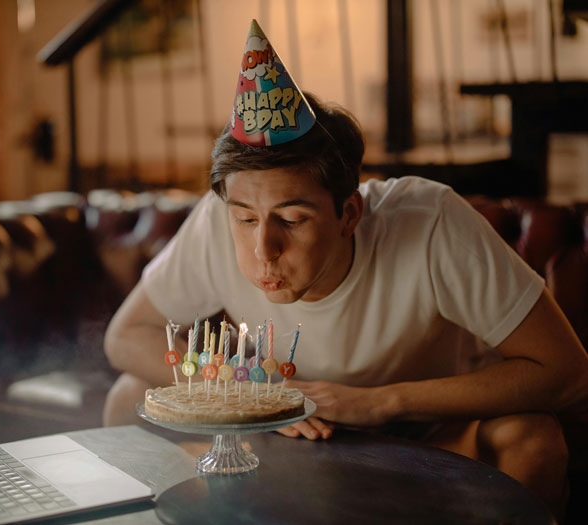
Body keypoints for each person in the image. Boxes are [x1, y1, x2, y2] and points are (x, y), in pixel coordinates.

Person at [103, 20, 588, 518]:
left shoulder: (428, 222)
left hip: (433, 436)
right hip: (290, 436)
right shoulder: (214, 219)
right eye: (245, 218)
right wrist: (248, 403)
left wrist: (379, 402)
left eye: (292, 219)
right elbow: (124, 336)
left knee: (532, 439)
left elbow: (568, 372)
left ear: (349, 215)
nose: (263, 247)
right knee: (128, 397)